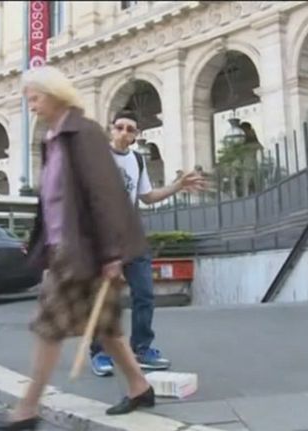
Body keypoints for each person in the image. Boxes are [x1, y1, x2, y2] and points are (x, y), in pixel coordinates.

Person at [0, 66, 155, 430]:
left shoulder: (84, 133)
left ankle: (27, 409)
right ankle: (140, 386)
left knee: (49, 326)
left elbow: (104, 195)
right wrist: (40, 245)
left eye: (35, 98)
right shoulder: (54, 138)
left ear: (54, 94)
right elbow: (52, 201)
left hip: (82, 251)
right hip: (67, 247)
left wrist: (112, 255)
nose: (31, 106)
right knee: (105, 326)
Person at [90, 110, 206, 377]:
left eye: (130, 129)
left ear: (136, 136)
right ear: (111, 129)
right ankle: (100, 352)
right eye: (119, 127)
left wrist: (177, 186)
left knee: (144, 294)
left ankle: (141, 348)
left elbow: (148, 197)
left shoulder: (137, 160)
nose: (124, 133)